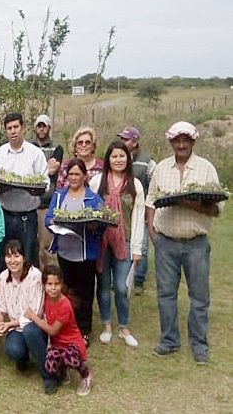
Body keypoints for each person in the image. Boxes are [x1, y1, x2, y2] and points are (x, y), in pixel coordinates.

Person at [146, 121, 223, 365]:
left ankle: (199, 345)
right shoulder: (161, 168)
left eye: (185, 140)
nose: (181, 144)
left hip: (196, 243)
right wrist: (152, 232)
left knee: (199, 296)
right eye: (177, 140)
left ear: (192, 142)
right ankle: (169, 340)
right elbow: (150, 200)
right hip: (165, 242)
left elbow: (216, 209)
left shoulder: (205, 168)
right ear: (171, 142)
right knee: (166, 294)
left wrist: (187, 202)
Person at [89, 140, 144, 347]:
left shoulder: (135, 185)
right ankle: (106, 326)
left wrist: (138, 249)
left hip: (125, 241)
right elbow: (91, 211)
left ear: (128, 159)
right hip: (102, 242)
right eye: (114, 156)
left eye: (122, 156)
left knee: (121, 287)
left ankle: (124, 326)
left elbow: (139, 218)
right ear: (108, 159)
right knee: (103, 285)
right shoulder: (97, 182)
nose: (118, 160)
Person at [45, 158, 105, 345]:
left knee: (85, 293)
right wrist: (54, 222)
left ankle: (84, 329)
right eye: (70, 174)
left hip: (84, 254)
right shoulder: (59, 196)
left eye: (77, 174)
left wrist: (92, 225)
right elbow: (48, 218)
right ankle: (68, 325)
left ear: (84, 176)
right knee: (67, 291)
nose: (73, 177)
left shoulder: (93, 199)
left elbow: (102, 224)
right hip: (64, 252)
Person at [0, 239, 56, 394]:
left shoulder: (35, 276)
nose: (12, 261)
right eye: (8, 256)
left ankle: (48, 375)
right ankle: (23, 359)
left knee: (29, 330)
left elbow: (35, 314)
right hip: (16, 327)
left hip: (36, 325)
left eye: (16, 256)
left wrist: (9, 325)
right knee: (13, 350)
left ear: (24, 257)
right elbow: (1, 307)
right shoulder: (2, 277)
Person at [0, 112, 49, 270]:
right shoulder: (0, 154)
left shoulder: (35, 154)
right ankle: (5, 291)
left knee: (27, 257)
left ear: (23, 128)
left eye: (16, 127)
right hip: (4, 215)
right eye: (9, 128)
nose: (13, 131)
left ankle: (27, 292)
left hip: (27, 216)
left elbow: (45, 184)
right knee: (4, 259)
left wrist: (32, 189)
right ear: (6, 131)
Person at [24, 265, 93, 396]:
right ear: (44, 285)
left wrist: (33, 316)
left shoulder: (65, 305)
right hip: (57, 344)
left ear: (62, 284)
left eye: (57, 284)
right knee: (49, 365)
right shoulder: (45, 298)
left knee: (70, 357)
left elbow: (52, 331)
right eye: (49, 284)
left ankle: (86, 374)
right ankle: (63, 368)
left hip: (71, 344)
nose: (53, 287)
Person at [118, 126, 157, 294]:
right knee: (124, 242)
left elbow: (155, 185)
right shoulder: (118, 157)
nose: (123, 142)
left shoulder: (148, 162)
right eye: (122, 138)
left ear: (135, 141)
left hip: (142, 208)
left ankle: (139, 281)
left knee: (142, 245)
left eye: (126, 139)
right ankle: (121, 279)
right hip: (123, 210)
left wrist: (149, 206)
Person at [31, 115, 64, 269]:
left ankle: (50, 281)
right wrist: (45, 166)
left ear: (49, 128)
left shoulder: (57, 148)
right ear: (35, 128)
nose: (41, 129)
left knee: (46, 247)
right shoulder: (28, 147)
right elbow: (46, 169)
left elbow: (53, 169)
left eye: (44, 126)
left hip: (46, 204)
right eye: (39, 126)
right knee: (31, 246)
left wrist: (35, 169)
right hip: (29, 203)